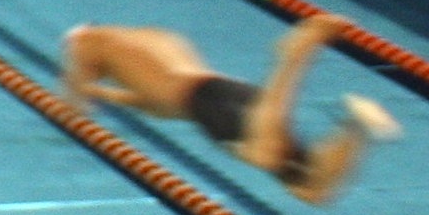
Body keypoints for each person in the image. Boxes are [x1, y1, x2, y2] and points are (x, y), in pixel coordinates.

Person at [60, 15, 394, 204]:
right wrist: (109, 95)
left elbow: (73, 106)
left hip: (210, 104)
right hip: (216, 95)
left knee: (267, 149)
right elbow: (157, 104)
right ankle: (357, 128)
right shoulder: (146, 39)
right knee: (311, 188)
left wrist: (79, 93)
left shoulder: (91, 42)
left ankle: (297, 53)